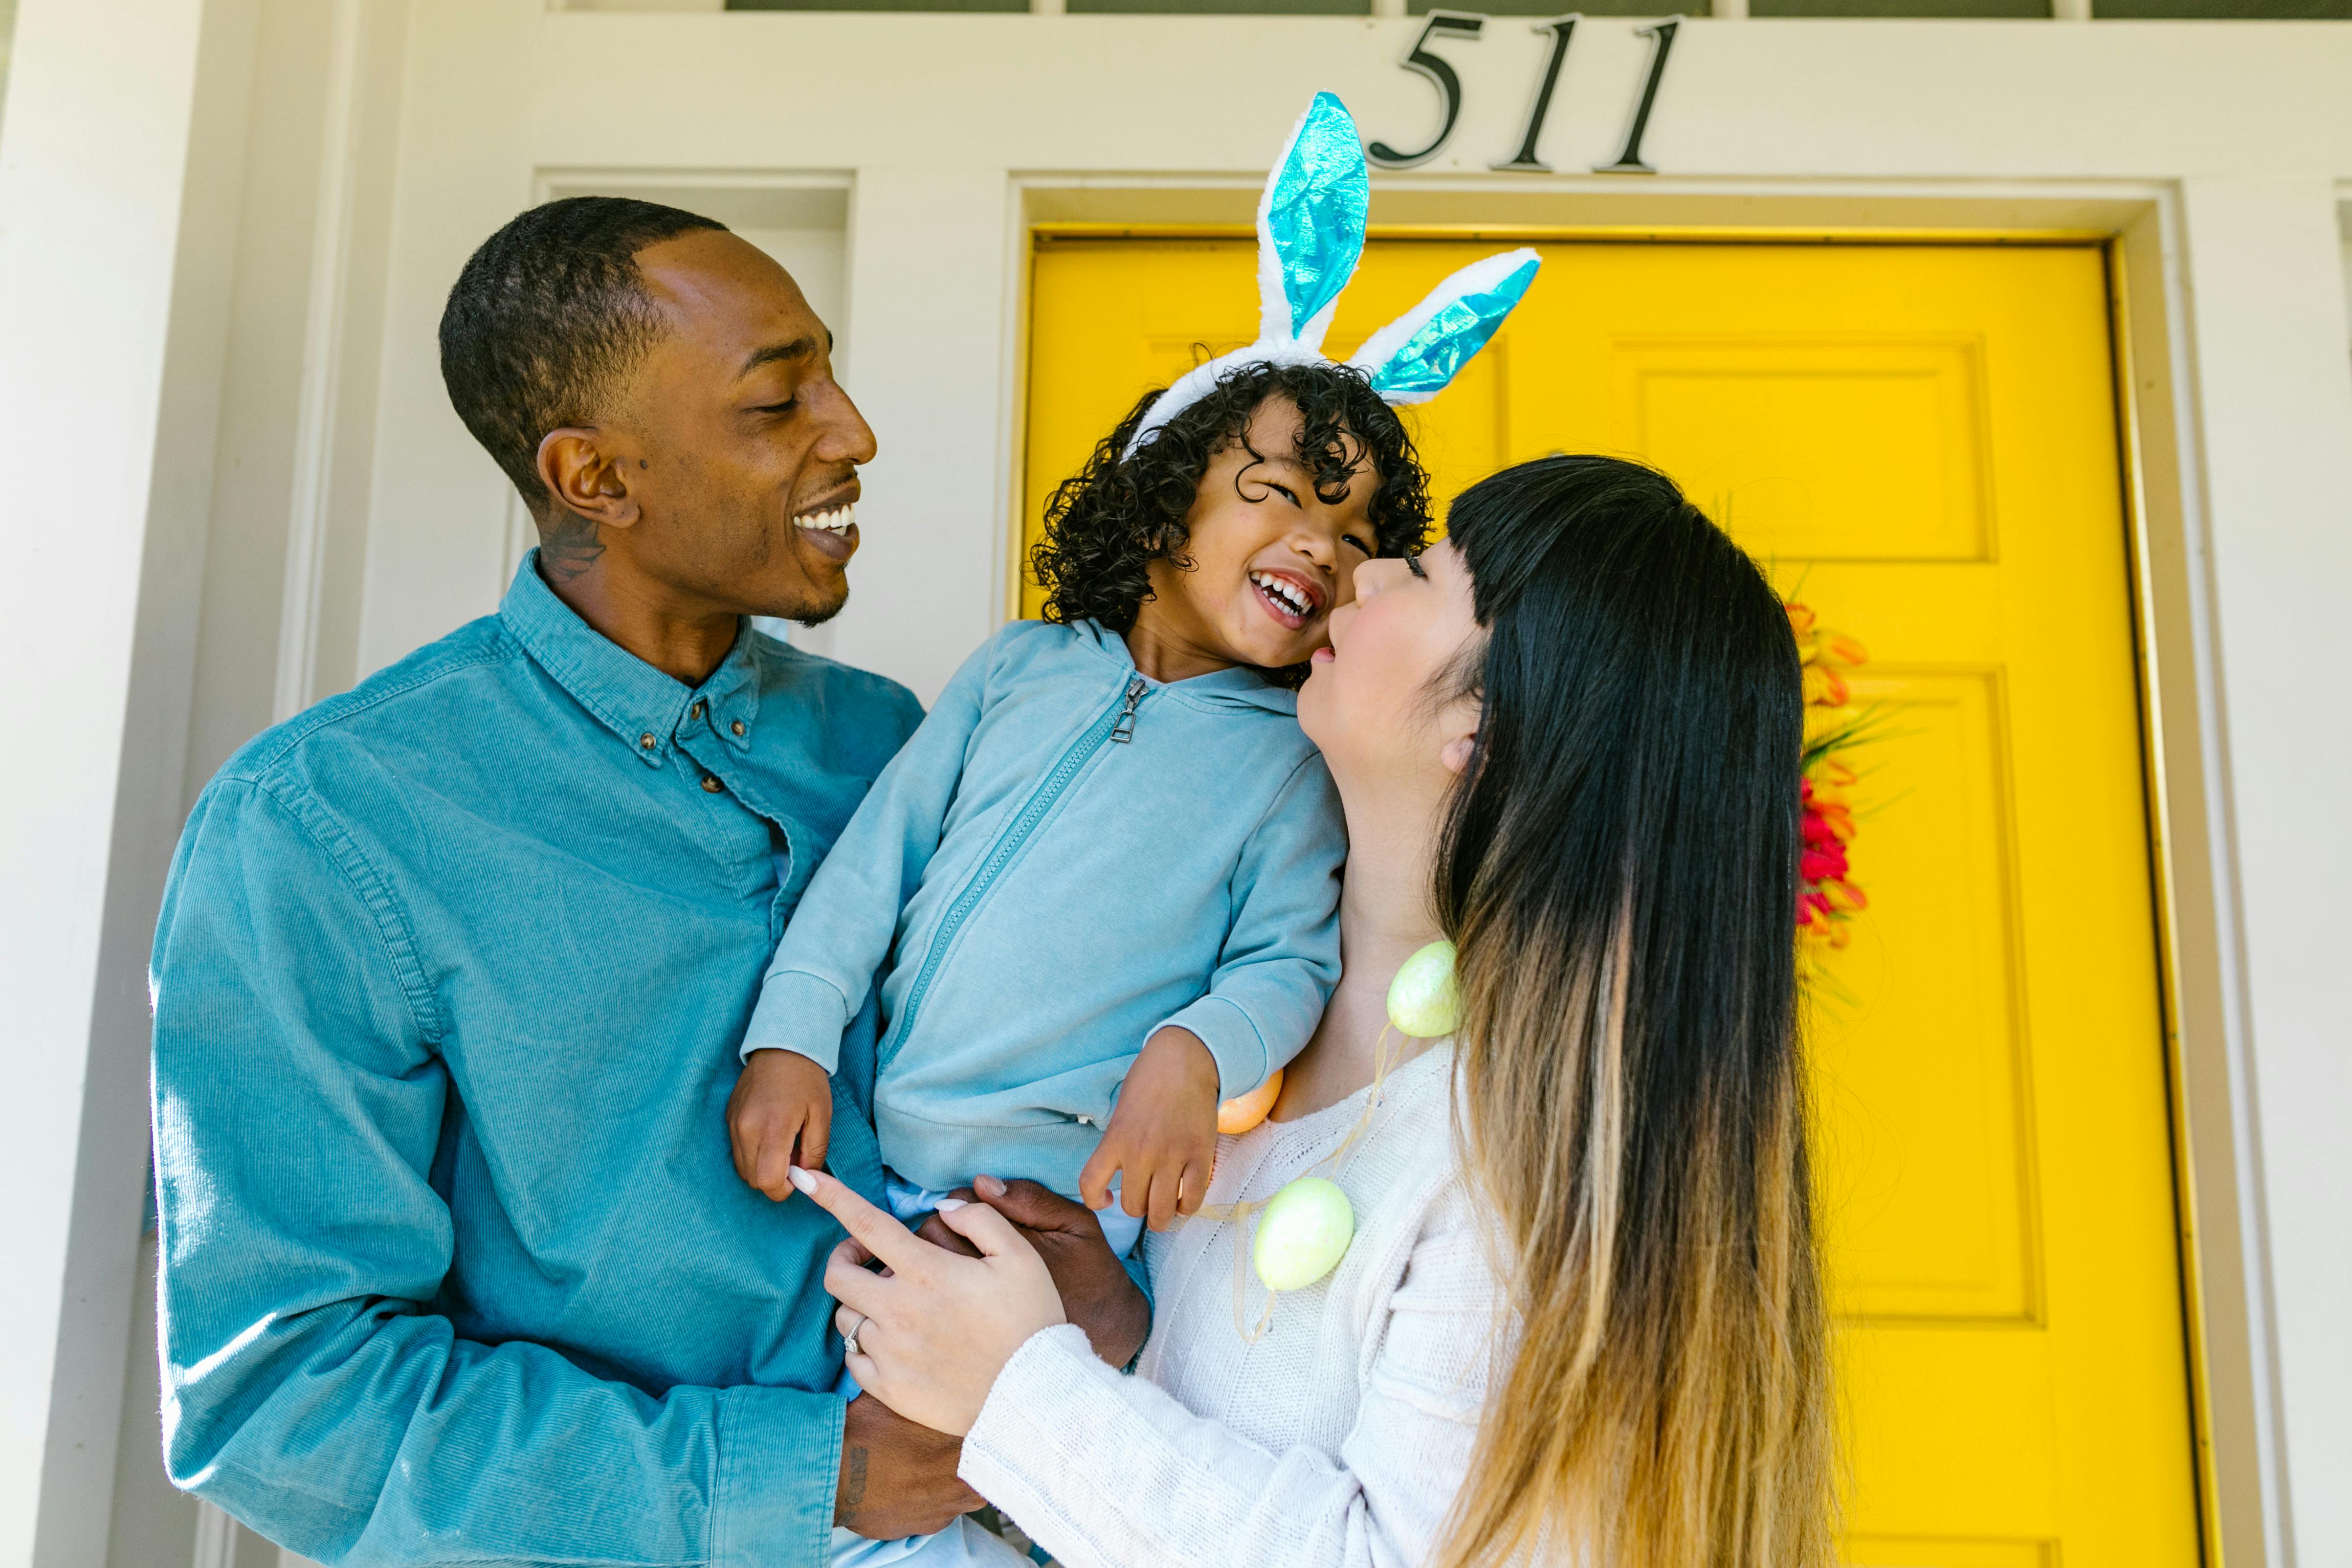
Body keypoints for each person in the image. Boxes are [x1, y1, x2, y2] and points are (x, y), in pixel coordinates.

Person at [146, 196, 1145, 1565]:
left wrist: (1093, 1280)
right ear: (595, 479)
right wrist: (811, 1477)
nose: (851, 432)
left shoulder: (888, 745)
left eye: (831, 377)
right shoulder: (320, 828)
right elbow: (283, 1405)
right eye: (779, 400)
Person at [791, 456, 1841, 1568]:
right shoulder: (1233, 1006)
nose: (1367, 570)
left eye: (1429, 576)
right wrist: (1110, 1332)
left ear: (1488, 737)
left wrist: (1020, 1387)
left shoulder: (1516, 1163)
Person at [724, 362, 1428, 1261]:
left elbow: (1286, 962)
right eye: (1284, 495)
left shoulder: (1295, 759)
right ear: (1157, 507)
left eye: (1356, 535)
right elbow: (871, 869)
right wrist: (789, 1040)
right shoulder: (1016, 667)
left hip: (1064, 1207)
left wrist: (1195, 1050)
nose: (1325, 548)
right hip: (857, 1153)